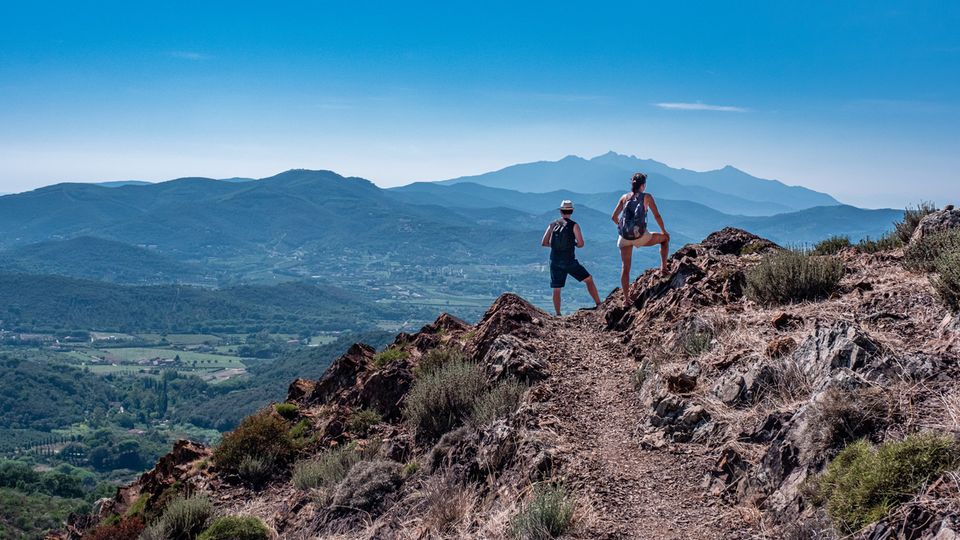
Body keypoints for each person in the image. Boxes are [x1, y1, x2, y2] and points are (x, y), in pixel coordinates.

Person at [611, 172, 670, 308]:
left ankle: (626, 300)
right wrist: (664, 231)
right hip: (642, 237)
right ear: (643, 185)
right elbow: (657, 216)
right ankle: (664, 268)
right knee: (664, 240)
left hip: (624, 238)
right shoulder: (647, 197)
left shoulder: (624, 197)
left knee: (625, 268)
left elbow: (614, 217)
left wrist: (624, 228)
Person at [540, 200, 602, 316]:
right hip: (569, 260)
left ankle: (558, 314)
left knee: (557, 288)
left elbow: (544, 242)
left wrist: (554, 245)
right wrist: (573, 245)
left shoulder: (552, 225)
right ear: (571, 211)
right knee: (588, 279)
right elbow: (581, 243)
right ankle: (599, 304)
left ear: (561, 211)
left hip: (555, 260)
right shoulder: (574, 225)